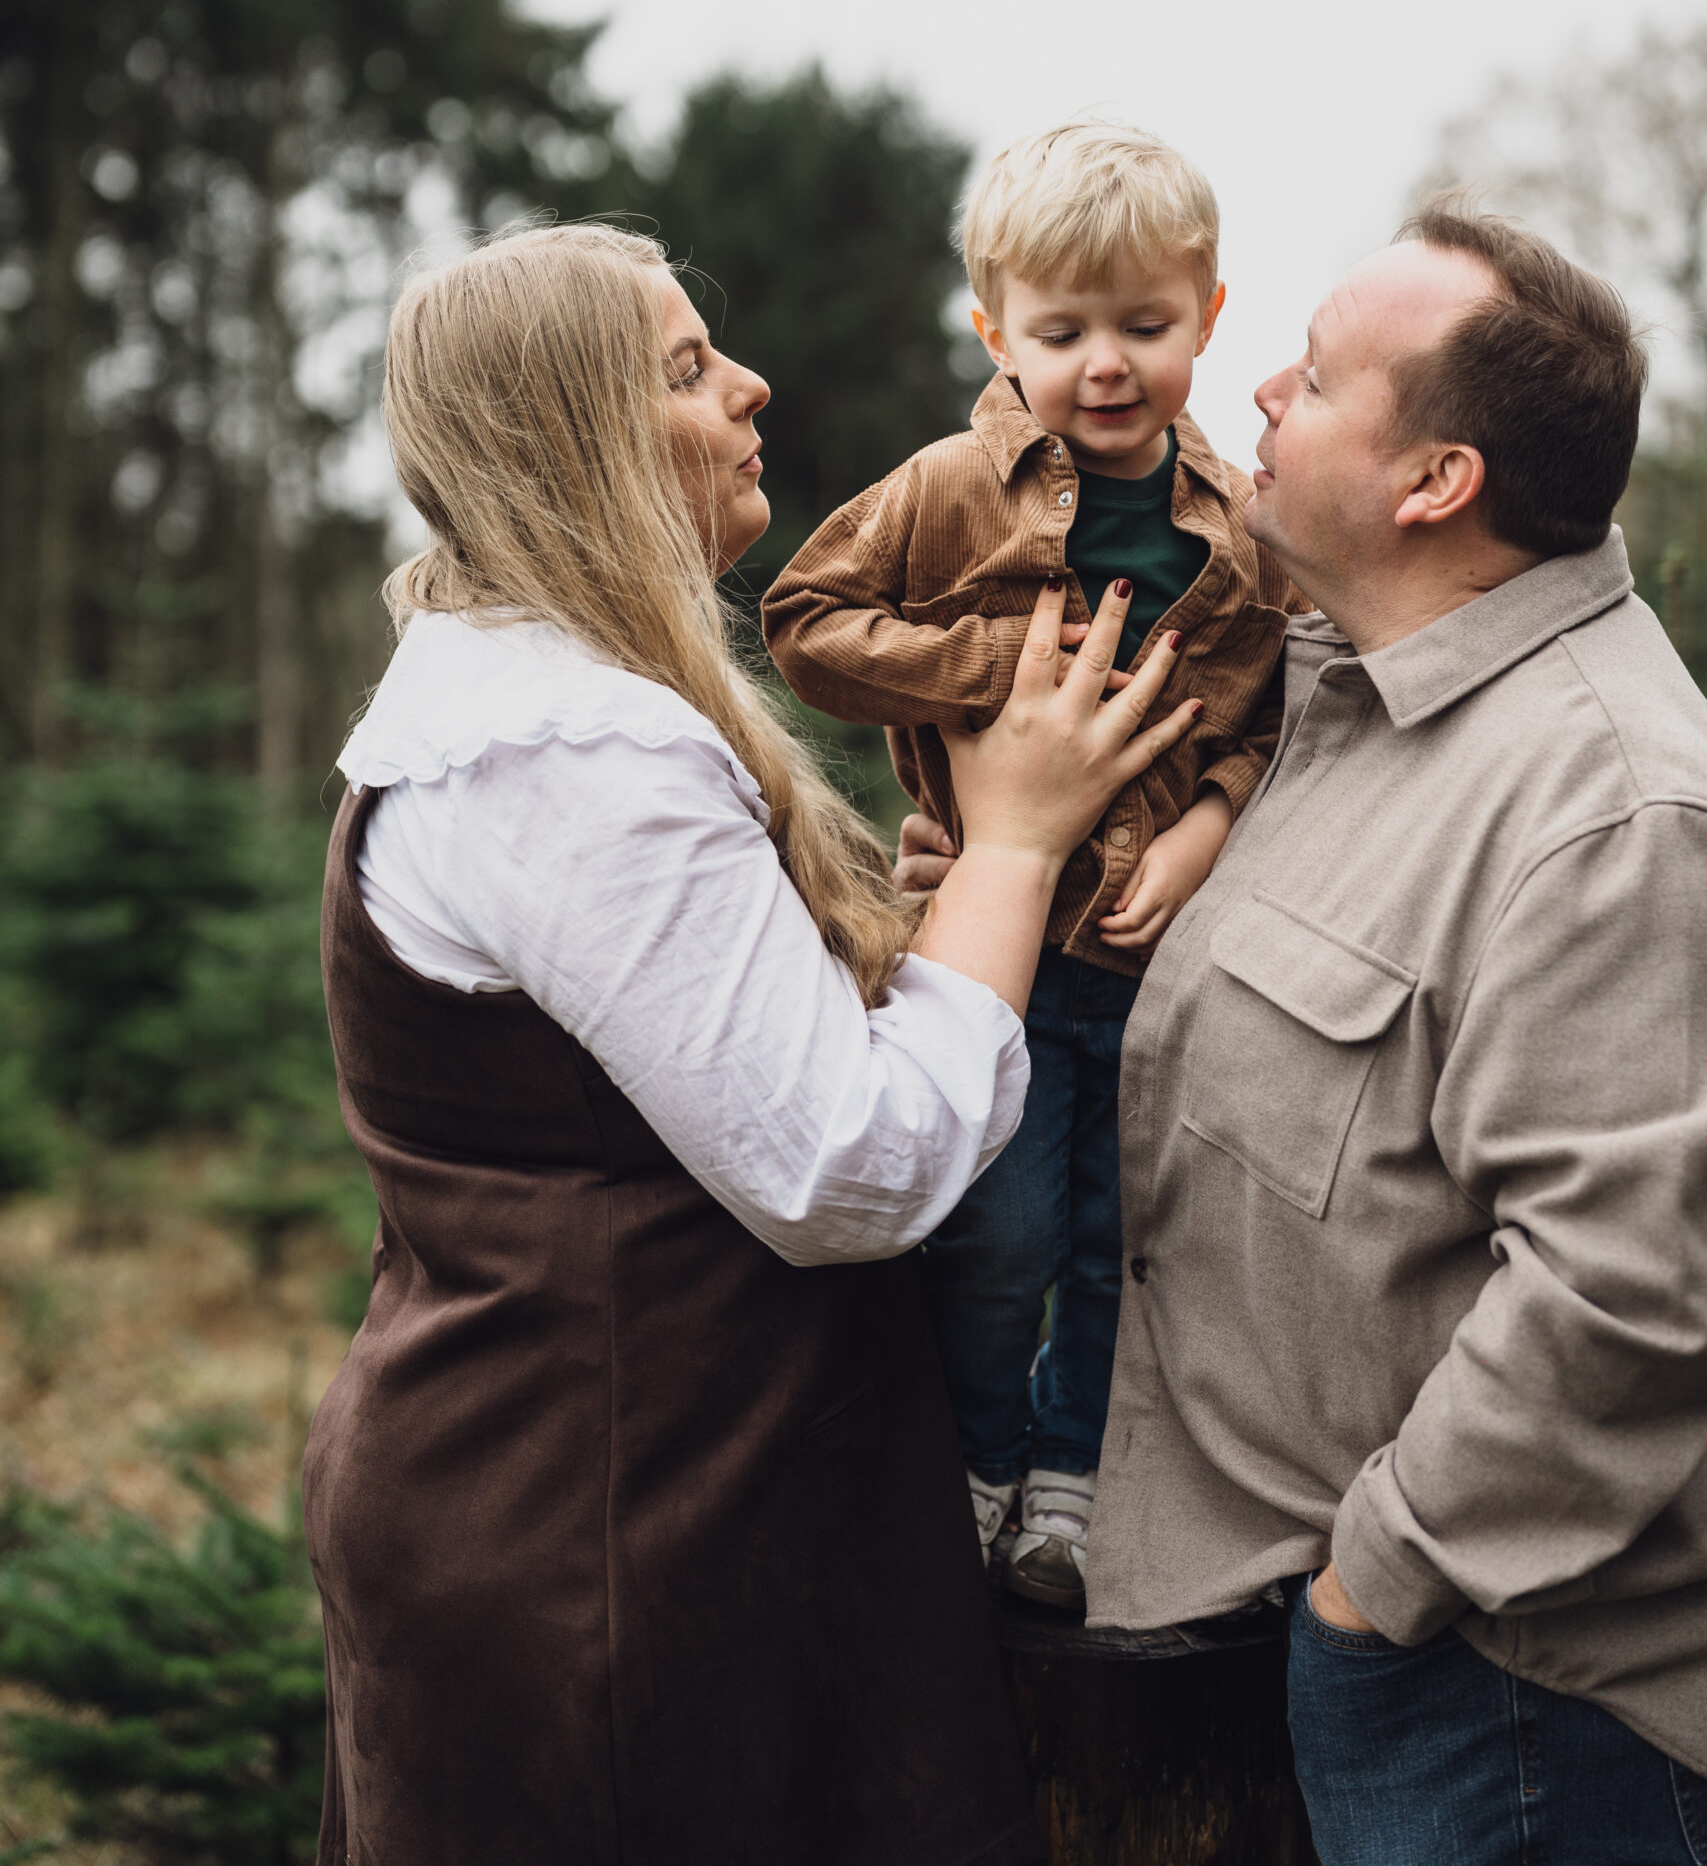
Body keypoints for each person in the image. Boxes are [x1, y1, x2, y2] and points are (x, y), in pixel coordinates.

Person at [302, 220, 1199, 1866]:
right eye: (687, 367)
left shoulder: (533, 706)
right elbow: (843, 1166)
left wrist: (916, 942)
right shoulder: (567, 758)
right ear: (578, 436)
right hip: (614, 1543)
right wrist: (1013, 850)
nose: (751, 381)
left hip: (619, 1497)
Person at [905, 196, 1707, 1863]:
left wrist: (1374, 1590)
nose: (1256, 388)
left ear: (1436, 483)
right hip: (1281, 1636)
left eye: (1323, 379)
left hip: (1506, 1699)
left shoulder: (1612, 812)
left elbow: (1630, 1295)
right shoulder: (1331, 697)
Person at [764, 123, 1302, 1609]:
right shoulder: (950, 488)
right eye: (1063, 333)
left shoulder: (1247, 526)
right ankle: (976, 1464)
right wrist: (998, 669)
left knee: (1123, 1239)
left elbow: (1269, 716)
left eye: (1145, 326)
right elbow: (806, 619)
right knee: (999, 1232)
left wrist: (1203, 830)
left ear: (1207, 314)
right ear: (998, 332)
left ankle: (1072, 1490)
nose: (1107, 365)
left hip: (1157, 958)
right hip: (993, 940)